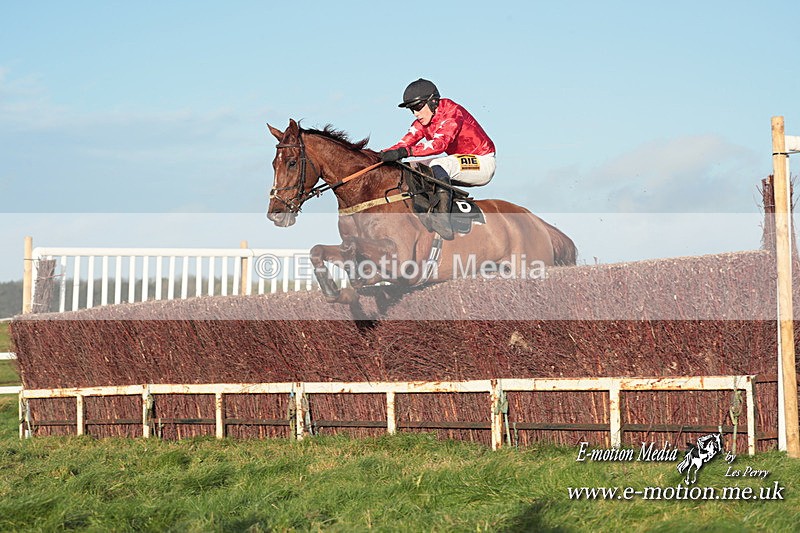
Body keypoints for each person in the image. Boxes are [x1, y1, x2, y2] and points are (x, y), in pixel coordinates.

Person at [379, 78, 496, 240]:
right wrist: (378, 156)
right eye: (412, 109)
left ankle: (442, 219)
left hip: (482, 161)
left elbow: (439, 145)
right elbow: (402, 144)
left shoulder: (453, 112)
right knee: (411, 166)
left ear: (433, 102)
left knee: (437, 163)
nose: (415, 113)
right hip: (459, 161)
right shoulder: (422, 121)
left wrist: (406, 151)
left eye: (418, 107)